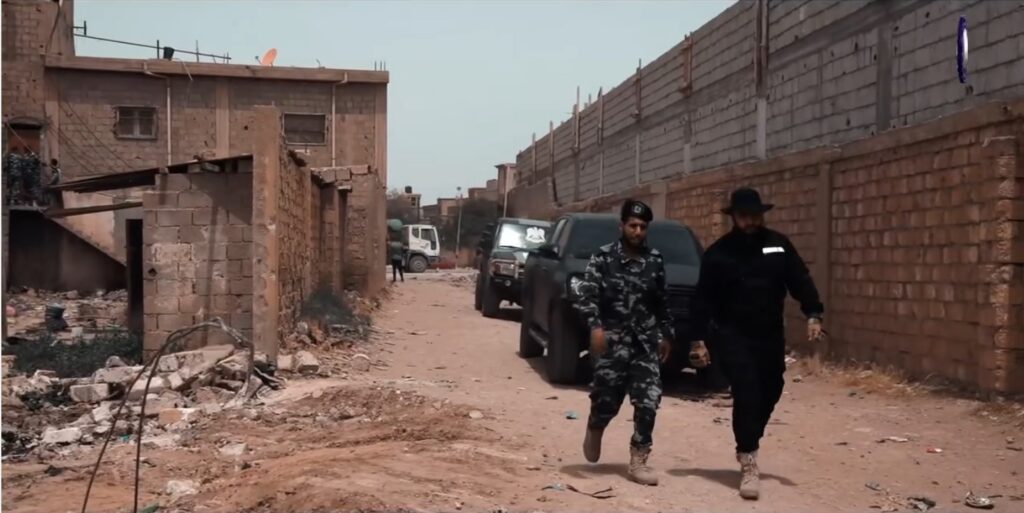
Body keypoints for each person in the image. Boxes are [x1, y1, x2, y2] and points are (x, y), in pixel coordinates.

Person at [690, 187, 824, 500]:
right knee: (747, 391)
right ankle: (748, 457)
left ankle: (750, 437)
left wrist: (813, 313)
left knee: (772, 387)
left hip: (769, 334)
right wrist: (698, 340)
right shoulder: (719, 254)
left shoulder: (778, 245)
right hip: (732, 334)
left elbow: (800, 279)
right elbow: (702, 299)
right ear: (734, 218)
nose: (750, 222)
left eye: (755, 216)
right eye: (744, 216)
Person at [575, 199, 674, 486]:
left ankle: (639, 459)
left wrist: (667, 334)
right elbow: (588, 296)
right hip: (612, 343)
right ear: (622, 226)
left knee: (648, 401)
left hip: (645, 344)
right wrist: (595, 328)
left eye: (643, 226)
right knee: (607, 399)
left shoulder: (655, 260)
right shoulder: (603, 258)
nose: (638, 231)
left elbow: (662, 301)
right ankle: (596, 425)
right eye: (633, 225)